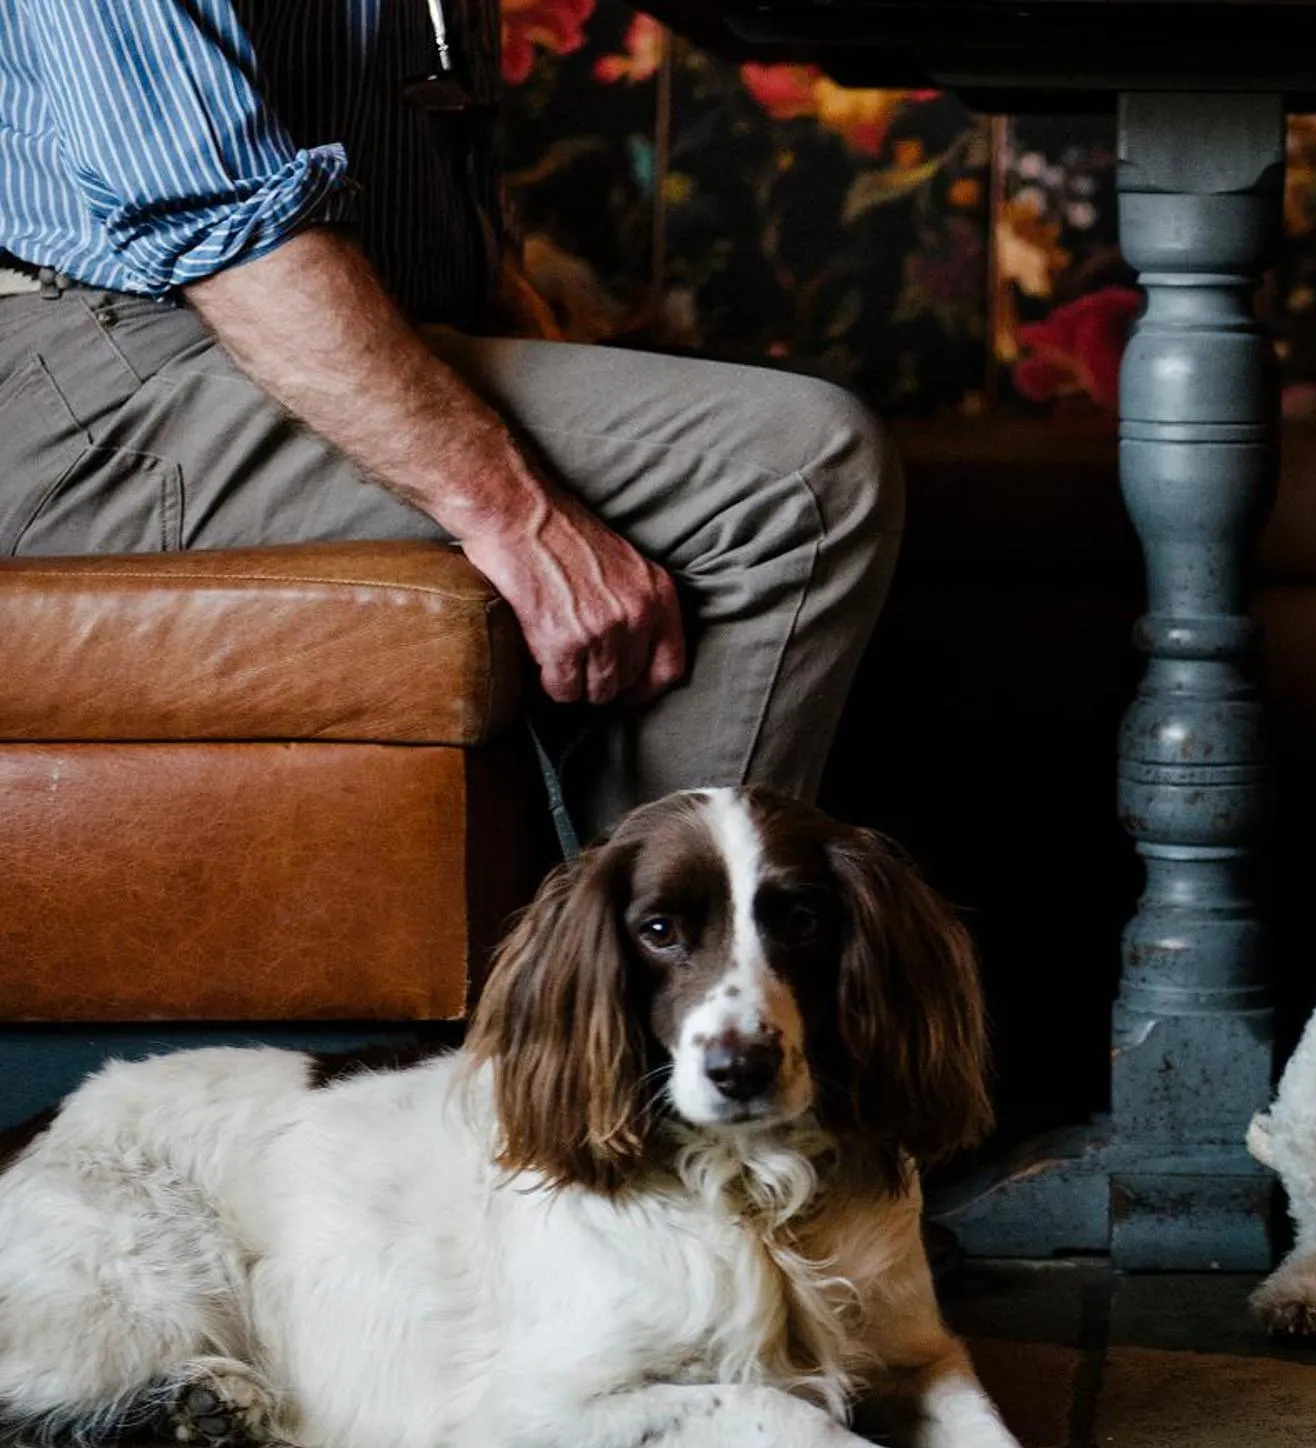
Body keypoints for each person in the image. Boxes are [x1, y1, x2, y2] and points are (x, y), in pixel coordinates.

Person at [0, 1, 901, 837]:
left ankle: (583, 955)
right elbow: (213, 219)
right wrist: (516, 512)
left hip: (268, 336)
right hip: (85, 380)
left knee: (790, 410)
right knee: (797, 475)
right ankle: (635, 1006)